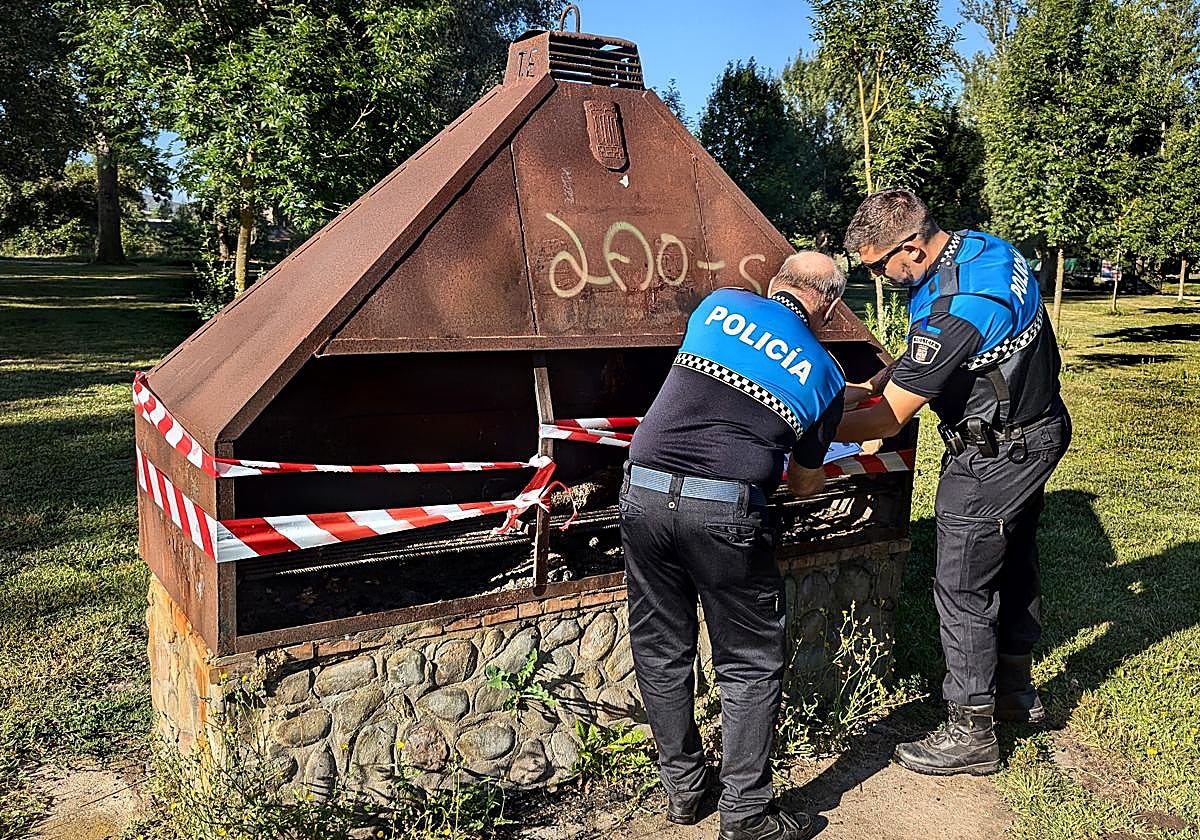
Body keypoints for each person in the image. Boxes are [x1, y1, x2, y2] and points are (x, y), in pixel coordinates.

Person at [837, 189, 1072, 776]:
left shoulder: (960, 306)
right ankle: (1015, 692)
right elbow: (924, 361)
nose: (879, 278)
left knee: (962, 580)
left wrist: (802, 421)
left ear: (911, 249)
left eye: (878, 267)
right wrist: (865, 386)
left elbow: (891, 417)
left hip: (996, 450)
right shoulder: (982, 248)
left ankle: (972, 731)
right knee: (1012, 554)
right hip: (1035, 426)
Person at [621, 252, 848, 840]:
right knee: (748, 662)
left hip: (643, 491)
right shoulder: (826, 375)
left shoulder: (720, 305)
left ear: (775, 285)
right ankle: (746, 815)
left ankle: (685, 793)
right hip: (724, 511)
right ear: (827, 303)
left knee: (661, 645)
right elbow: (801, 481)